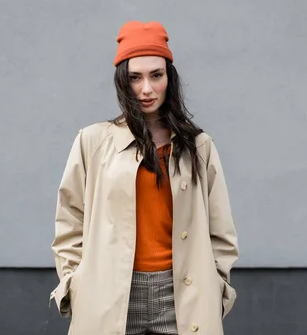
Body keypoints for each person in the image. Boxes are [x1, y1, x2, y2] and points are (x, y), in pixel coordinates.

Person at [50, 21, 239, 335]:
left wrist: (216, 287)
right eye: (135, 77)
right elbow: (69, 221)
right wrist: (75, 282)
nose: (146, 89)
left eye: (156, 75)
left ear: (169, 78)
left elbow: (221, 232)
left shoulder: (199, 146)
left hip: (182, 294)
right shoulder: (93, 142)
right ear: (122, 81)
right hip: (110, 296)